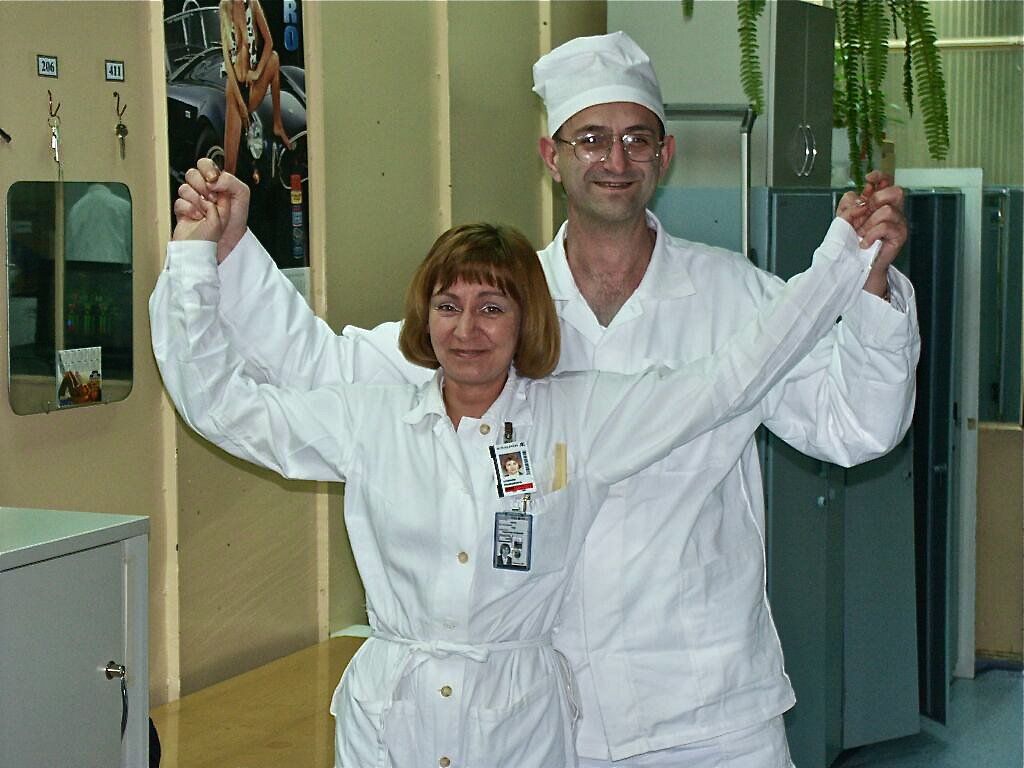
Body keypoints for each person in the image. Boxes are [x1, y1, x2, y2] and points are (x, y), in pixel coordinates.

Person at [171, 30, 919, 767]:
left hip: (709, 709)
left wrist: (870, 286)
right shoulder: (495, 308)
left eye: (636, 139)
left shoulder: (737, 297)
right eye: (590, 138)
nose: (615, 160)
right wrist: (230, 253)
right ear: (551, 157)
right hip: (548, 720)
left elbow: (855, 426)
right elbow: (321, 368)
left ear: (665, 155)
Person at [218, 0, 292, 175]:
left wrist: (257, 73)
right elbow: (227, 62)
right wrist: (241, 105)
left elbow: (269, 43)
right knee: (230, 169)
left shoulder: (253, 5)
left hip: (251, 86)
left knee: (274, 58)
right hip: (234, 90)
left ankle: (277, 124)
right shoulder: (225, 8)